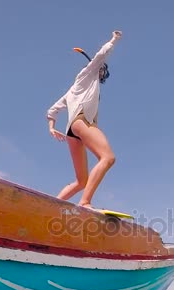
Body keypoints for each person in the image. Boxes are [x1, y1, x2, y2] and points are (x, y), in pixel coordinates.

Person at [46, 30, 122, 209]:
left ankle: (50, 206)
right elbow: (101, 55)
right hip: (82, 123)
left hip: (71, 132)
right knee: (108, 157)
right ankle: (85, 201)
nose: (101, 74)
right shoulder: (88, 74)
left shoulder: (72, 90)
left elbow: (52, 110)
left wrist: (51, 127)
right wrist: (114, 39)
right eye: (101, 71)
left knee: (81, 181)